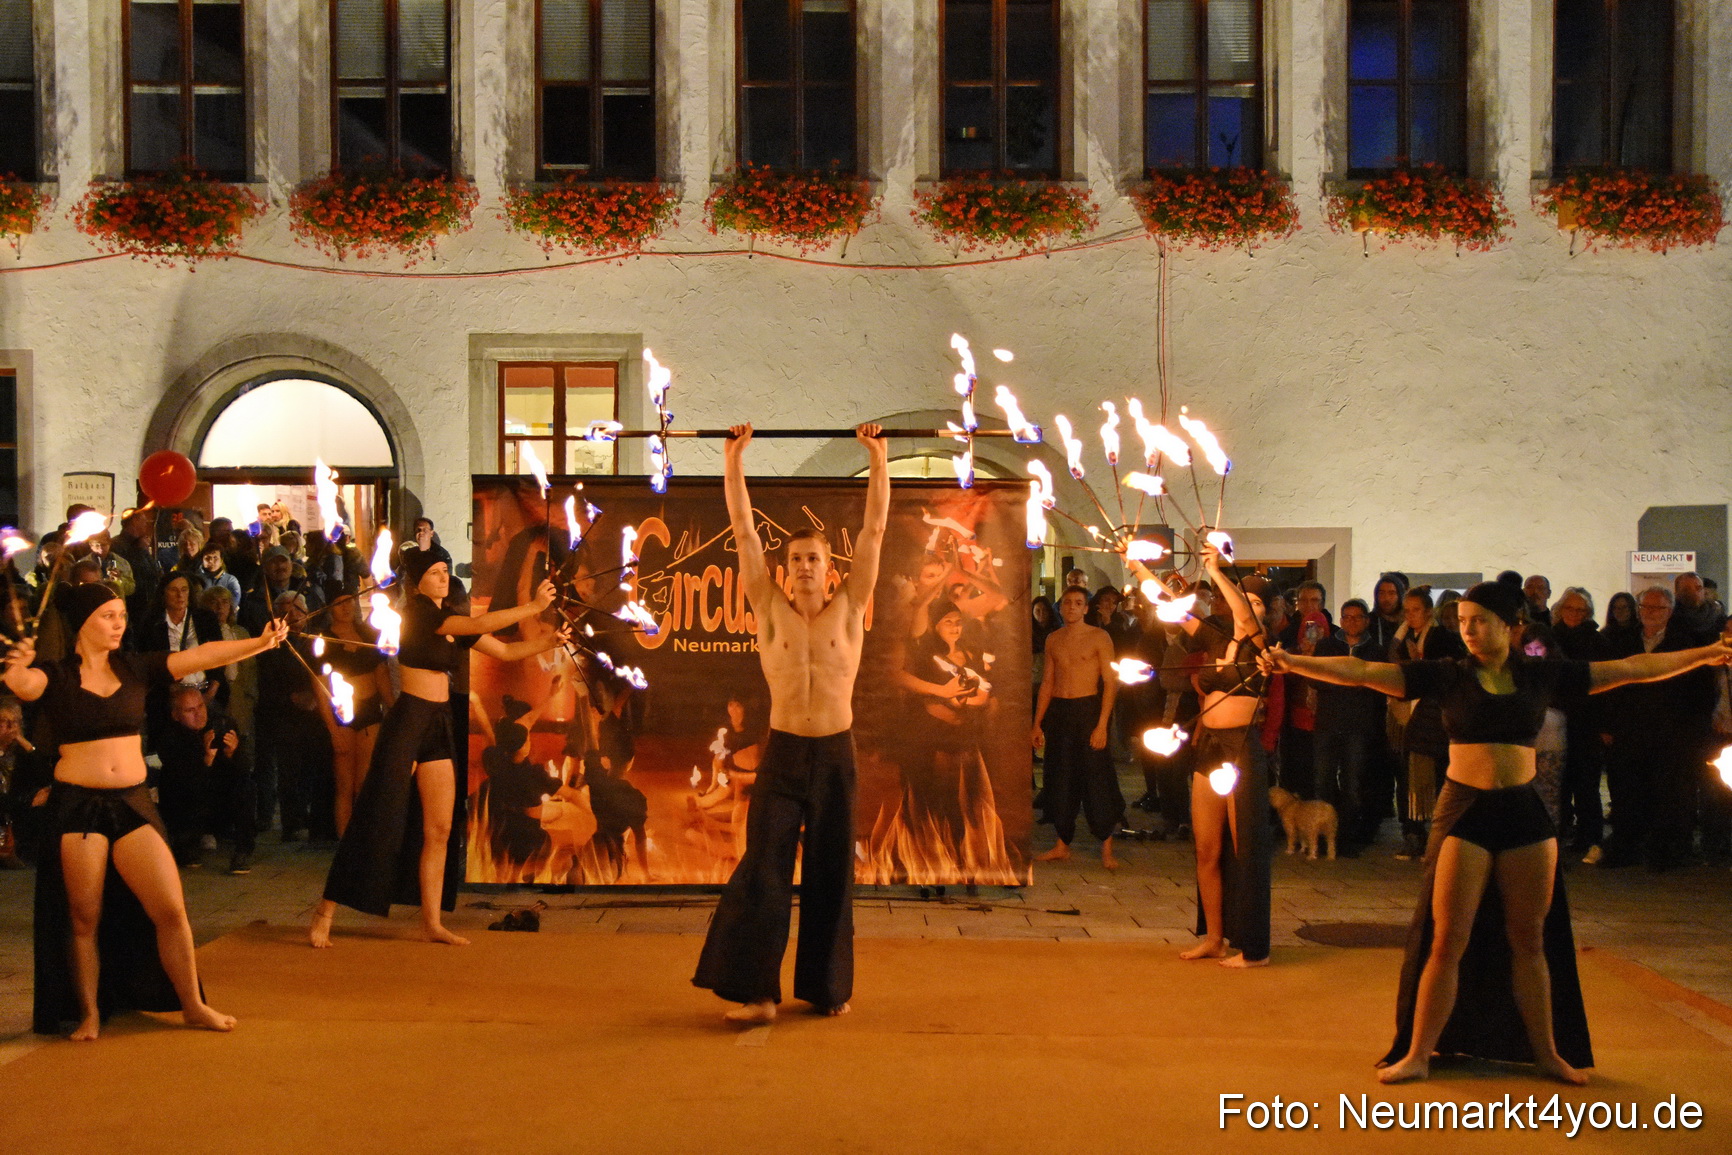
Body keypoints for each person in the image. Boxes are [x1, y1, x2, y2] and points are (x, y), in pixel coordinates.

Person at [1261, 580, 1732, 1084]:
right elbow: (1363, 672)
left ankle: (1547, 1052)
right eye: (1462, 621)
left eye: (1480, 621)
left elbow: (1632, 669)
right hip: (1464, 810)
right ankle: (1419, 1052)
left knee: (1530, 940)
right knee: (1448, 940)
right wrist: (1294, 662)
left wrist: (1708, 653)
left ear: (1512, 627)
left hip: (1524, 812)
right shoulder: (1448, 675)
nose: (1468, 630)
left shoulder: (1541, 674)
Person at [2, 582, 288, 1039]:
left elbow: (204, 656)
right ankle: (90, 1012)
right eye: (107, 616)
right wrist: (15, 665)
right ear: (82, 623)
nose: (119, 624)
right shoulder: (56, 675)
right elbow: (25, 685)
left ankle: (193, 1004)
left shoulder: (135, 666)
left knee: (171, 909)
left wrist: (260, 641)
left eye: (121, 615)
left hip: (132, 800)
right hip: (78, 806)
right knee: (83, 915)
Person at [692, 422, 888, 1024]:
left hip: (834, 754)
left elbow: (875, 527)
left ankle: (827, 991)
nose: (805, 566)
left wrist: (878, 459)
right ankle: (758, 994)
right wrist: (734, 460)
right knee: (766, 871)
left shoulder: (851, 607)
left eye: (814, 559)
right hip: (782, 754)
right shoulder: (768, 609)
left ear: (831, 568)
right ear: (785, 569)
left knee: (831, 874)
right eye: (797, 559)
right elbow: (745, 531)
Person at [309, 554, 564, 948]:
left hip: (440, 722)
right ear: (417, 583)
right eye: (434, 573)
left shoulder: (450, 621)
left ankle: (431, 922)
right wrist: (532, 606)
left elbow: (507, 651)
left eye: (446, 571)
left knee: (440, 828)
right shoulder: (418, 615)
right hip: (408, 721)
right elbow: (479, 623)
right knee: (378, 814)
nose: (443, 577)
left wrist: (549, 640)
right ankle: (325, 910)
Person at [1175, 549, 1272, 967]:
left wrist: (1215, 568)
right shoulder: (1216, 638)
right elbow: (1177, 611)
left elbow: (1246, 617)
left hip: (1240, 748)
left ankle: (1254, 948)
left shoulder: (1261, 645)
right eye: (1242, 598)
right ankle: (1215, 937)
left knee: (1243, 847)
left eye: (1256, 601)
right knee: (1206, 848)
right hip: (1210, 745)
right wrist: (1138, 566)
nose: (1246, 607)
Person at [1031, 586, 1122, 869]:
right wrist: (1037, 723)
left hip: (1088, 708)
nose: (1071, 607)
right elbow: (1047, 682)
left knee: (1097, 776)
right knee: (1060, 776)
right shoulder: (1053, 639)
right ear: (1061, 607)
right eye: (1067, 602)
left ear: (1086, 608)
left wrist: (1102, 724)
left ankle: (1107, 845)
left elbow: (1110, 681)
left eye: (1078, 603)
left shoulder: (1099, 637)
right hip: (1060, 711)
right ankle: (1062, 843)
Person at [1312, 599, 1386, 853]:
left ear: (1366, 620)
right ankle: (1321, 836)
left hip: (1358, 725)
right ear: (1340, 620)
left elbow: (1375, 688)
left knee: (1353, 783)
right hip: (1328, 722)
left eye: (1357, 617)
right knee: (1323, 780)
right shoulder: (1326, 646)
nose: (1351, 622)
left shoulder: (1375, 651)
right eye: (1347, 617)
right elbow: (1317, 680)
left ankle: (1346, 837)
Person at [157, 684, 255, 873]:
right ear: (176, 715)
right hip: (190, 800)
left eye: (201, 707)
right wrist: (206, 759)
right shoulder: (170, 737)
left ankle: (243, 852)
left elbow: (244, 768)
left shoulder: (222, 724)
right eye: (190, 710)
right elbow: (181, 780)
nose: (198, 714)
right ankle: (186, 845)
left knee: (246, 786)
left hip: (218, 796)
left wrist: (232, 754)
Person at [318, 599, 394, 838]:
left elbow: (382, 678)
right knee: (344, 785)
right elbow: (320, 689)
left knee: (364, 784)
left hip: (371, 712)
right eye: (339, 603)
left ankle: (362, 843)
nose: (346, 607)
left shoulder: (368, 635)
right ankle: (344, 845)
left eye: (350, 602)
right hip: (341, 716)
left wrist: (393, 711)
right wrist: (332, 729)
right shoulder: (324, 640)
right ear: (330, 608)